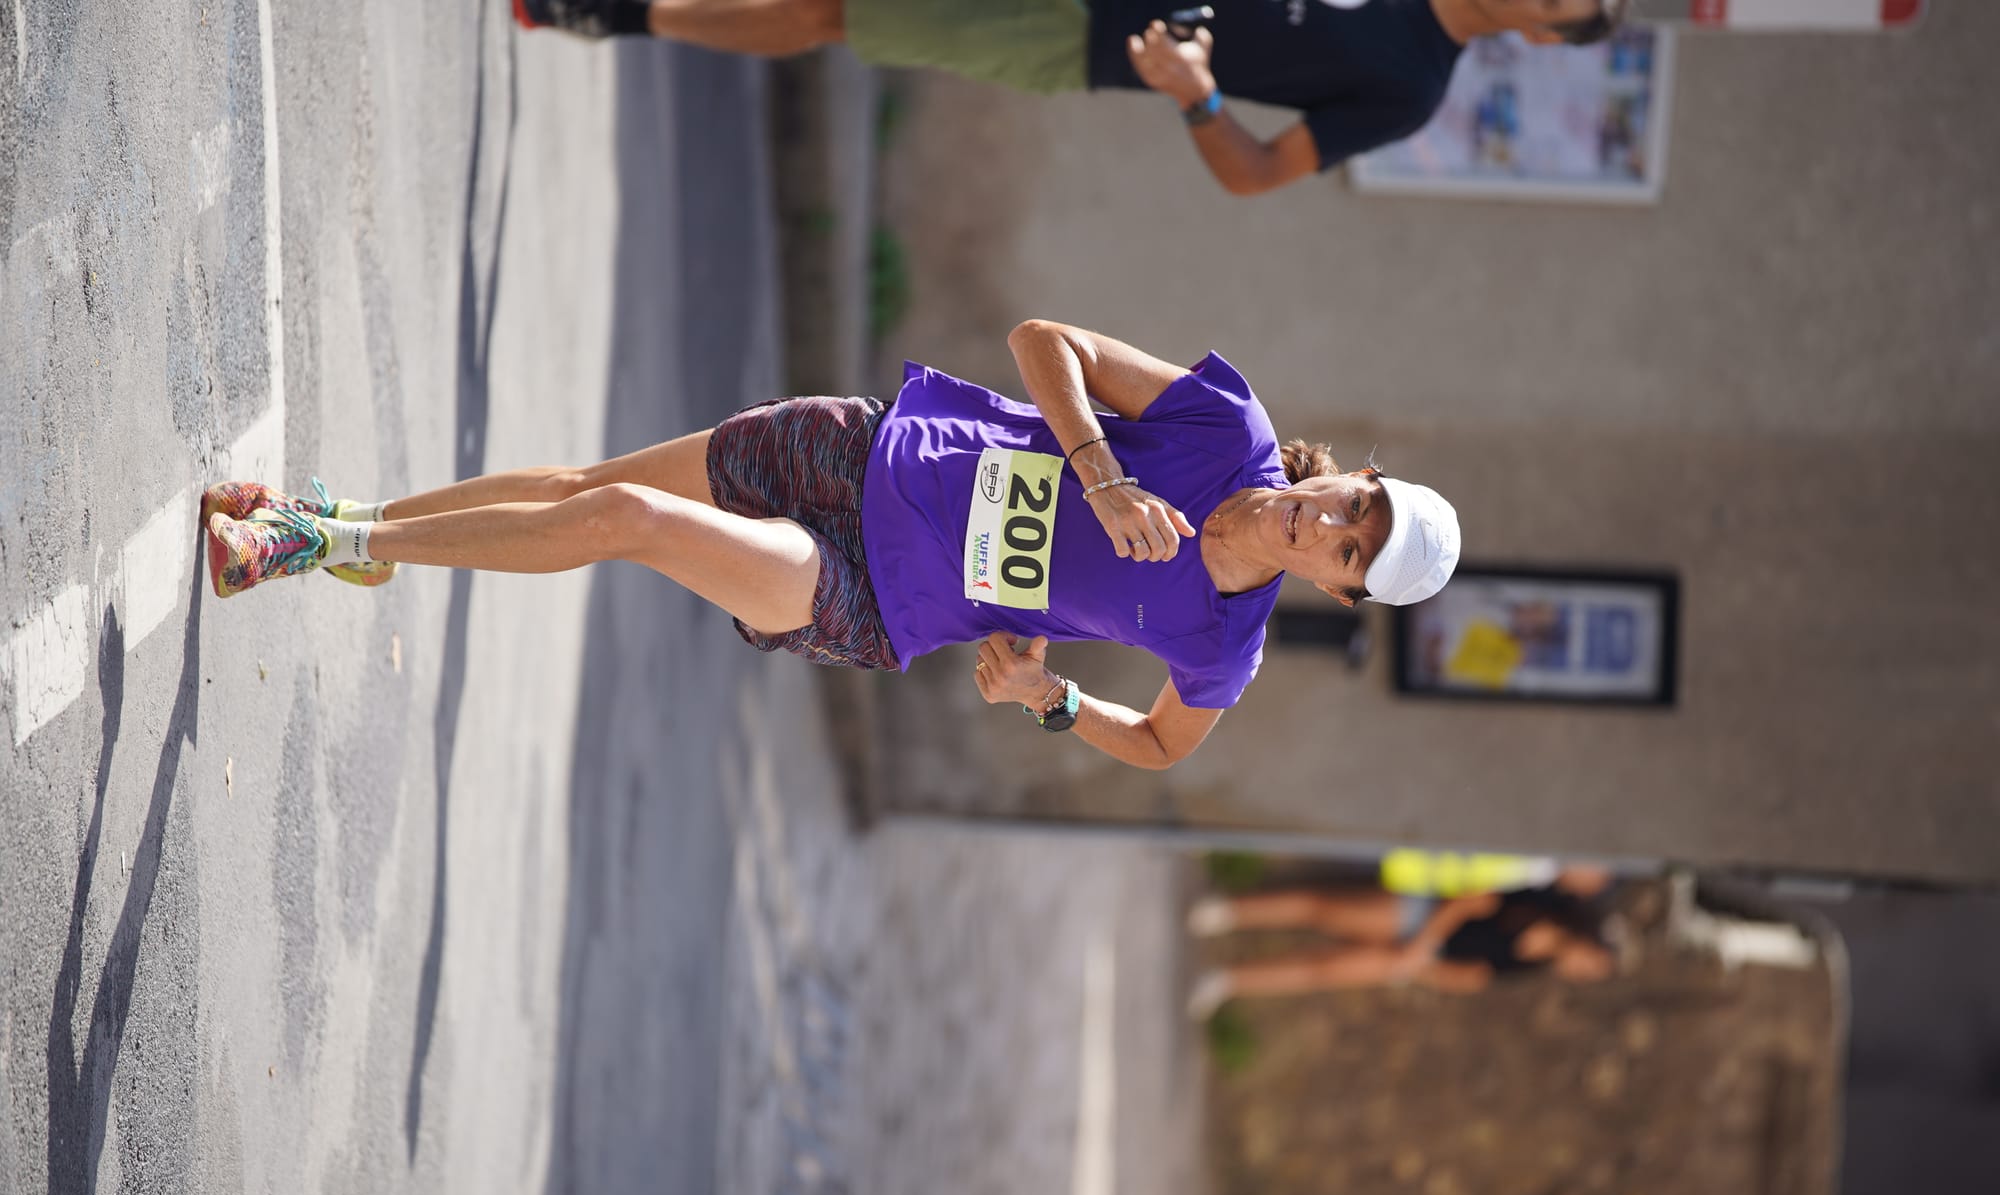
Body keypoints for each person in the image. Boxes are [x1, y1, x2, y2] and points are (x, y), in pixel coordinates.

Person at [202, 319, 1459, 770]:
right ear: (1350, 471)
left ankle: (319, 540)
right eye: (1359, 499)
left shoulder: (1220, 645)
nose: (1335, 521)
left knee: (628, 525)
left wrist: (1046, 694)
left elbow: (1158, 746)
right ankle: (375, 527)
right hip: (860, 450)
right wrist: (1102, 471)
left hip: (871, 592)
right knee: (591, 485)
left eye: (1354, 548)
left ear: (1341, 591)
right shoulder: (1224, 424)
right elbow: (1041, 343)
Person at [511, 0, 1630, 195]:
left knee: (830, 13)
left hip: (1076, 34)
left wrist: (1194, 98)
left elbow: (1253, 174)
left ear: (1542, 32)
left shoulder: (1407, 91)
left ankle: (615, 12)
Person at [1185, 877, 1621, 1019]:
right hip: (1424, 917)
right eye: (1590, 963)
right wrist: (1425, 940)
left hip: (1419, 957)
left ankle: (1225, 982)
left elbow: (1471, 979)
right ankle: (1226, 913)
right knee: (1321, 909)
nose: (1581, 971)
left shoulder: (1532, 967)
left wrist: (1418, 966)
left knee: (1322, 972)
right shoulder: (1541, 904)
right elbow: (1471, 901)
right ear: (1586, 939)